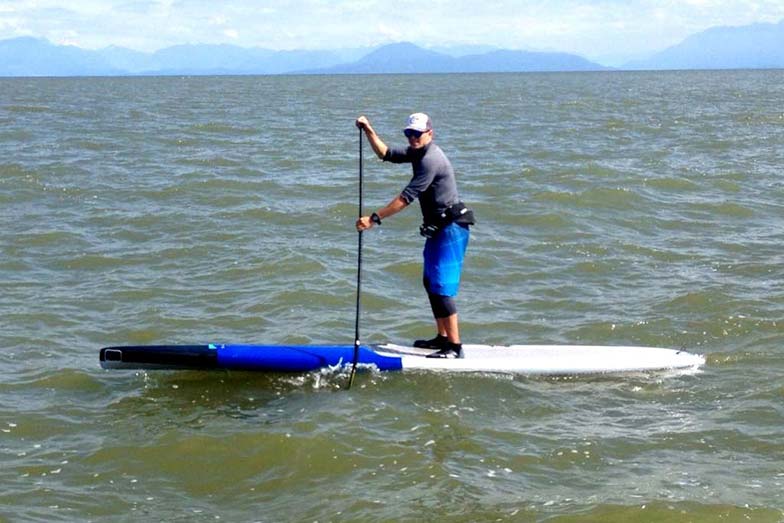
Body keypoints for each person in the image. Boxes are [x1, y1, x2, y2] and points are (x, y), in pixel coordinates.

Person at [355, 113, 474, 359]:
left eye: (417, 134)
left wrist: (374, 218)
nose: (412, 138)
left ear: (430, 133)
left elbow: (405, 198)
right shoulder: (416, 152)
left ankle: (455, 347)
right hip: (437, 229)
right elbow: (386, 154)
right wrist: (368, 130)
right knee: (430, 283)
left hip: (451, 228)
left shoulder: (431, 159)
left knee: (442, 288)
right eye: (409, 134)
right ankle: (442, 337)